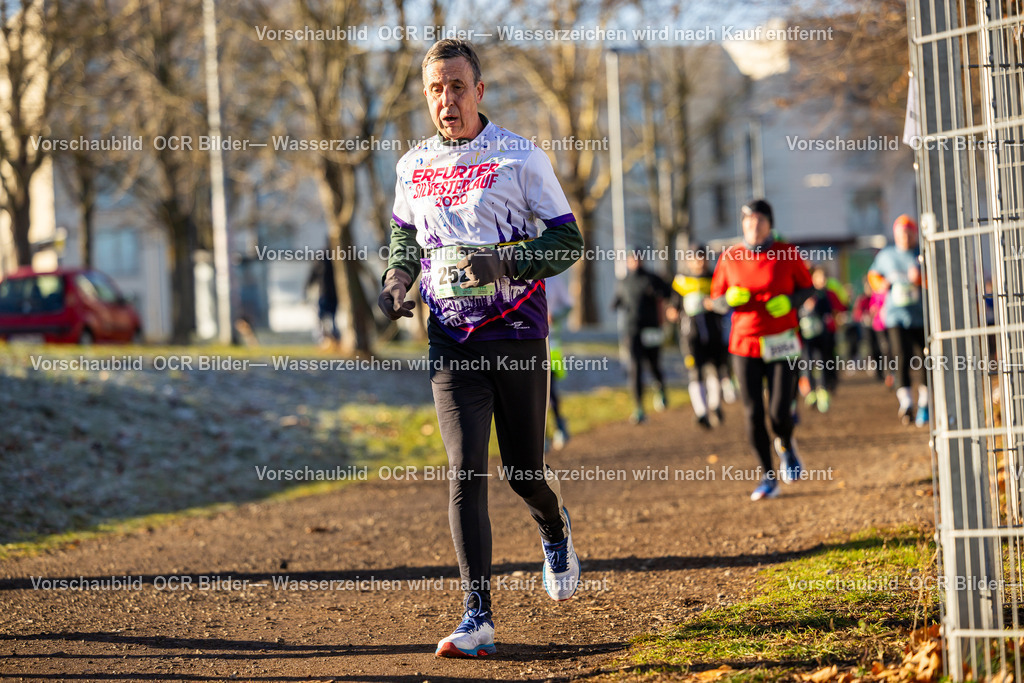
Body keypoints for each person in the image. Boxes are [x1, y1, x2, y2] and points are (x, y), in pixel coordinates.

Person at [377, 39, 584, 659]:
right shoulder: (412, 165)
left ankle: (553, 527)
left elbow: (568, 242)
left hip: (517, 336)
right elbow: (404, 234)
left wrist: (503, 259)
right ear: (426, 95)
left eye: (458, 87)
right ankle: (477, 616)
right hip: (451, 341)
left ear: (480, 91)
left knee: (522, 472)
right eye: (437, 89)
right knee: (465, 472)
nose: (448, 100)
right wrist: (395, 280)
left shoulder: (521, 158)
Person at [710, 199, 814, 500]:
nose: (753, 226)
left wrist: (791, 302)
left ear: (770, 224)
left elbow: (808, 288)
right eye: (748, 221)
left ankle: (786, 444)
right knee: (753, 413)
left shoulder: (787, 252)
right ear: (742, 225)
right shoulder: (730, 256)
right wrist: (729, 299)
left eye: (760, 221)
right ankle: (768, 477)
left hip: (783, 341)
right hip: (745, 344)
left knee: (779, 410)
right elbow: (714, 301)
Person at [868, 214, 928, 426]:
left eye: (909, 232)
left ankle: (924, 403)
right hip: (895, 316)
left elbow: (940, 279)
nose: (905, 236)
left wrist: (921, 279)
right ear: (895, 234)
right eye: (901, 232)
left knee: (924, 359)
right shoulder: (887, 255)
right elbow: (873, 275)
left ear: (914, 233)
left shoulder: (923, 252)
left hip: (921, 317)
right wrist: (881, 283)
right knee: (901, 356)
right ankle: (906, 403)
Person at [668, 244, 735, 429]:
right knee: (695, 371)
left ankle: (714, 405)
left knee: (715, 369)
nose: (699, 262)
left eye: (702, 257)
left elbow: (725, 303)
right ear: (688, 260)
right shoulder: (681, 281)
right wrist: (672, 312)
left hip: (714, 333)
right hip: (690, 335)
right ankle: (701, 412)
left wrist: (713, 304)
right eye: (695, 258)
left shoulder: (715, 278)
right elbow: (674, 305)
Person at [612, 248, 673, 424]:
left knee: (654, 365)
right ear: (628, 261)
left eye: (638, 258)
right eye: (632, 259)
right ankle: (639, 408)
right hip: (631, 331)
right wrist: (615, 304)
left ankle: (660, 389)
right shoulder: (623, 282)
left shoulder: (652, 278)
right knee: (635, 368)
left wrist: (658, 295)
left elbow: (669, 293)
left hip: (651, 330)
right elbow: (618, 299)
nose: (635, 262)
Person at [797, 266, 844, 413]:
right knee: (807, 362)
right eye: (818, 277)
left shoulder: (825, 295)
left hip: (822, 335)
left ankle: (823, 391)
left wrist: (818, 308)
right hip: (806, 337)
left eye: (823, 278)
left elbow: (829, 311)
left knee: (823, 362)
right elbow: (797, 310)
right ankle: (810, 392)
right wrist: (806, 307)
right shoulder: (804, 293)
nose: (821, 281)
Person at [546, 270, 573, 449]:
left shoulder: (553, 278)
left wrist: (555, 316)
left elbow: (569, 305)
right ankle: (543, 436)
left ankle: (560, 426)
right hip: (524, 344)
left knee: (550, 387)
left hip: (551, 343)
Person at [306, 249, 340, 348]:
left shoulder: (322, 258)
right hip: (331, 293)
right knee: (330, 317)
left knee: (323, 317)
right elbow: (313, 275)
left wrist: (307, 287)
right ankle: (329, 338)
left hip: (325, 293)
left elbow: (312, 275)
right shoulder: (336, 257)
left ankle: (324, 338)